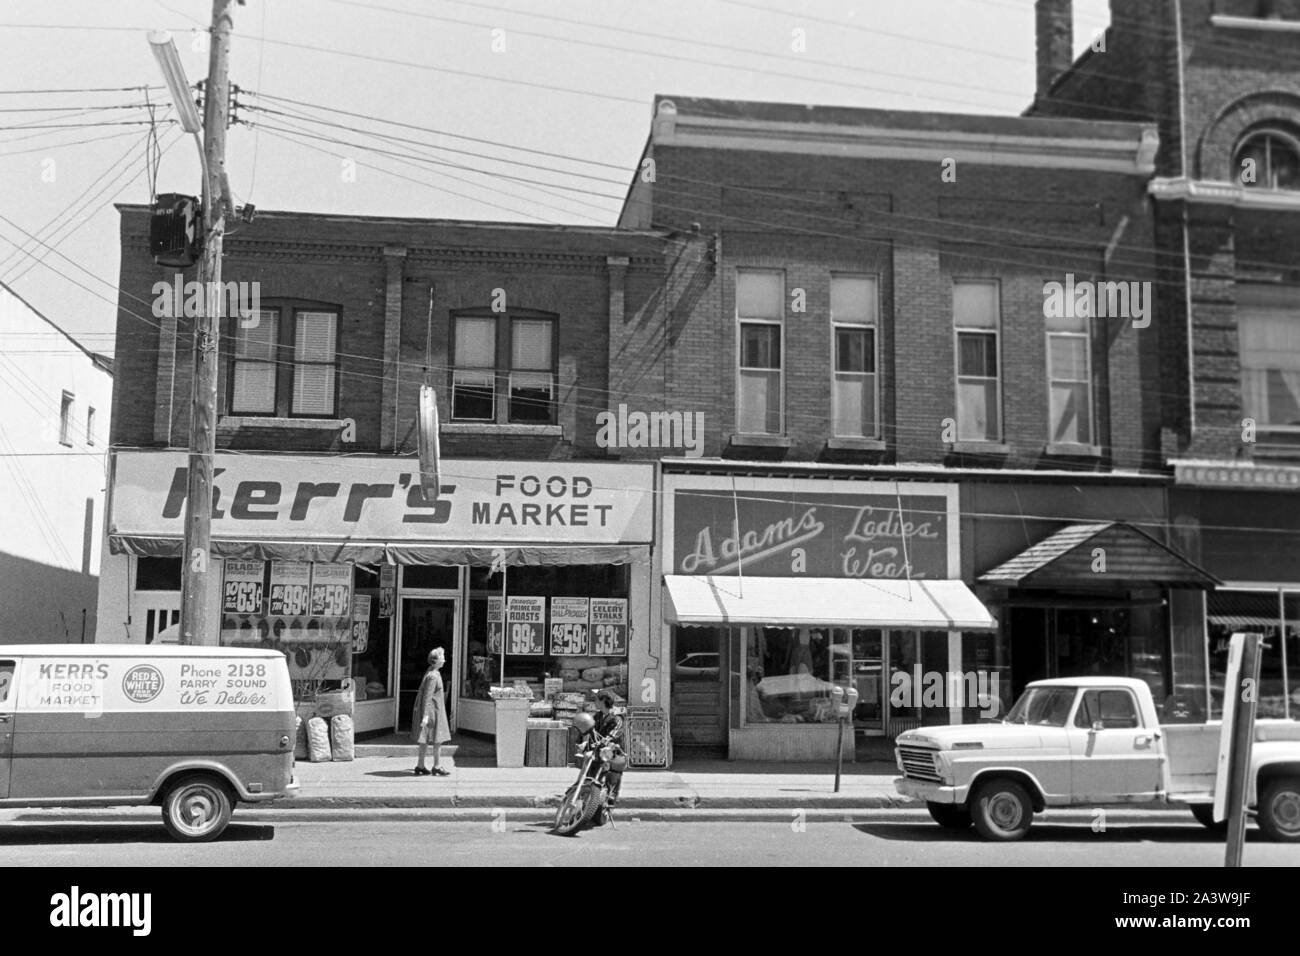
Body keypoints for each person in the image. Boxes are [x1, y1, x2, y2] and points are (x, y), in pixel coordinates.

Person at [411, 648, 451, 776]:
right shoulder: (433, 676)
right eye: (442, 656)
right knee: (437, 739)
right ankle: (437, 766)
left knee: (425, 739)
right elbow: (427, 696)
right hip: (434, 711)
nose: (444, 659)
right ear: (436, 660)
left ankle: (420, 765)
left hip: (434, 709)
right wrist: (426, 715)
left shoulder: (432, 672)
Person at [589, 689, 625, 807]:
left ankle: (611, 797)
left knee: (614, 772)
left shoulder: (616, 718)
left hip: (613, 752)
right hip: (600, 751)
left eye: (597, 699)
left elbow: (615, 732)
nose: (595, 702)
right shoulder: (598, 716)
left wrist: (607, 739)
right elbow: (590, 729)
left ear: (603, 701)